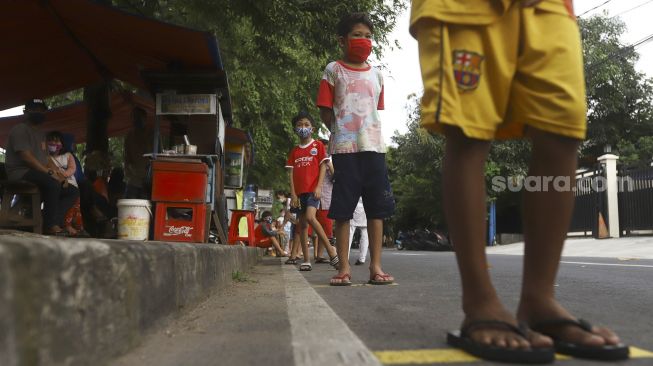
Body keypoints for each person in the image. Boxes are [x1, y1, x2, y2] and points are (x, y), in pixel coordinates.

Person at [410, 0, 629, 363]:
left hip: (552, 7)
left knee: (564, 130)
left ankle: (539, 301)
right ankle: (480, 302)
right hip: (467, 7)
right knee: (468, 131)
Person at [317, 13, 395, 286]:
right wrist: (341, 133)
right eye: (357, 35)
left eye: (368, 36)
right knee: (342, 211)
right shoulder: (333, 70)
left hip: (374, 149)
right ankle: (344, 268)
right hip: (344, 151)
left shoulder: (378, 75)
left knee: (377, 210)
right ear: (342, 40)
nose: (364, 41)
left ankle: (376, 267)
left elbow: (374, 111)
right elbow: (326, 112)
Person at [4, 99, 79, 235]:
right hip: (20, 172)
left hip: (37, 173)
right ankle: (50, 225)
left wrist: (59, 174)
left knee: (71, 190)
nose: (39, 113)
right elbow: (26, 157)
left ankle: (51, 220)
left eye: (41, 110)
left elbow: (46, 159)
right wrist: (49, 173)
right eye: (35, 110)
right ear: (26, 112)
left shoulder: (41, 135)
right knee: (52, 183)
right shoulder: (20, 129)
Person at [286, 111, 339, 271]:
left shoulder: (317, 146)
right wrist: (293, 194)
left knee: (310, 217)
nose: (303, 127)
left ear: (313, 128)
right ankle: (306, 260)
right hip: (299, 193)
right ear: (295, 129)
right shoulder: (294, 151)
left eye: (306, 124)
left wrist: (318, 187)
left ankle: (331, 252)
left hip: (313, 191)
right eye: (300, 125)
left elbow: (324, 166)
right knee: (302, 225)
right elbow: (291, 173)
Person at [46, 131, 85, 236]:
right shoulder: (46, 158)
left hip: (70, 182)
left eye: (56, 140)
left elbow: (72, 168)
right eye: (50, 141)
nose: (53, 143)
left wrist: (65, 175)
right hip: (55, 182)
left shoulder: (68, 155)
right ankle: (58, 224)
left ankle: (68, 226)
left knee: (74, 203)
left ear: (62, 144)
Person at [124, 107, 153, 199]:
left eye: (138, 117)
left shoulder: (152, 134)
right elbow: (127, 157)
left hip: (148, 180)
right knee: (129, 206)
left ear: (145, 118)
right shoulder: (129, 136)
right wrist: (129, 170)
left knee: (145, 207)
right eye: (134, 117)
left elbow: (158, 155)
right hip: (133, 180)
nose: (135, 120)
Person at [347, 198, 369, 265]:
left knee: (349, 232)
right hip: (366, 207)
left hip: (354, 205)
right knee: (365, 232)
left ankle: (345, 258)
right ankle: (362, 259)